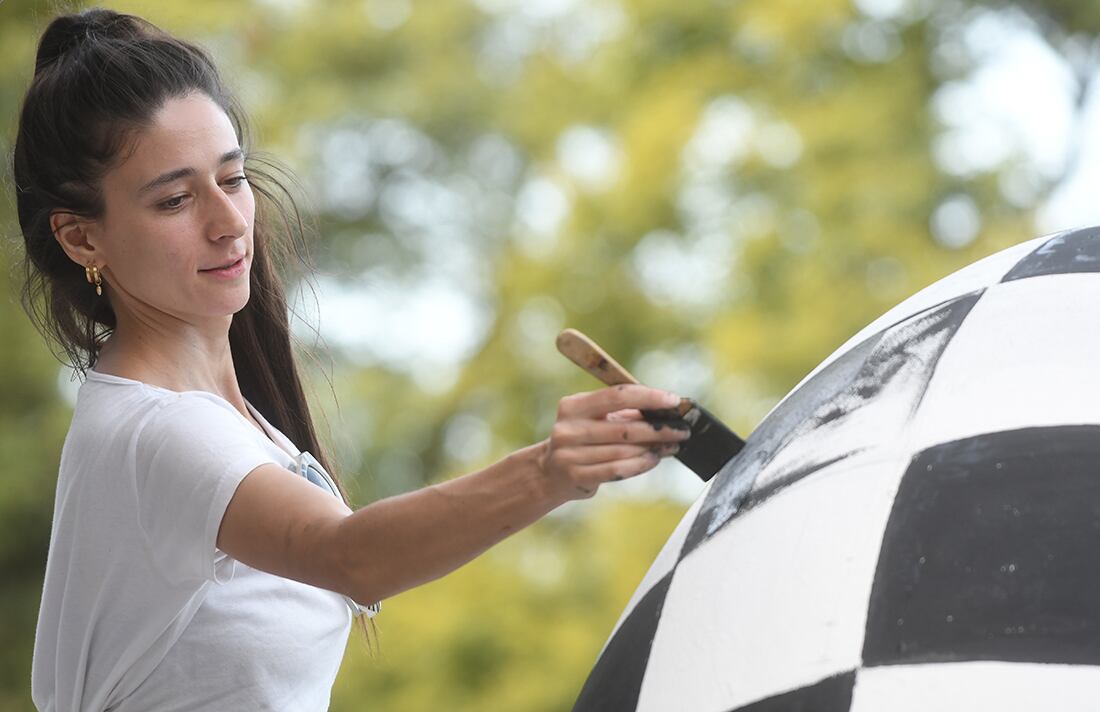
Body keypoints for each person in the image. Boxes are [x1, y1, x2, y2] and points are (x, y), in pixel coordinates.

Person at [13, 8, 691, 711]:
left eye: (234, 177)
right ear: (80, 238)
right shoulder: (159, 432)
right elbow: (349, 556)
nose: (228, 221)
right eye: (176, 199)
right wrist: (549, 471)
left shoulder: (231, 424)